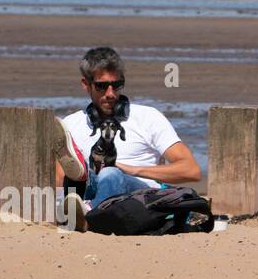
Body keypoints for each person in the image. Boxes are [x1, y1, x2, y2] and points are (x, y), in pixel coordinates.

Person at [54, 46, 202, 231]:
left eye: (116, 85)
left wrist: (132, 169)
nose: (110, 93)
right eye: (101, 86)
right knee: (84, 174)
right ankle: (83, 189)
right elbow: (58, 180)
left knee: (110, 173)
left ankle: (89, 217)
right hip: (88, 190)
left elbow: (191, 171)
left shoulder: (148, 117)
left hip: (140, 197)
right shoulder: (72, 123)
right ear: (86, 84)